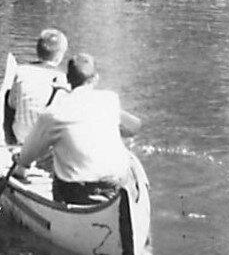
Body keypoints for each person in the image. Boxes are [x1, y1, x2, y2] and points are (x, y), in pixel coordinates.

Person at [15, 52, 142, 206]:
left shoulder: (53, 113)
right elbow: (135, 128)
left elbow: (26, 157)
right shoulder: (111, 100)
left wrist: (21, 165)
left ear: (67, 79)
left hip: (77, 192)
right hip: (115, 185)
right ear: (96, 78)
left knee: (54, 160)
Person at [5, 28, 68, 144]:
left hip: (21, 137)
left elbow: (12, 104)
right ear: (59, 56)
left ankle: (8, 138)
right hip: (47, 143)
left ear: (37, 51)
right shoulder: (64, 80)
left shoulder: (21, 71)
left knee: (8, 95)